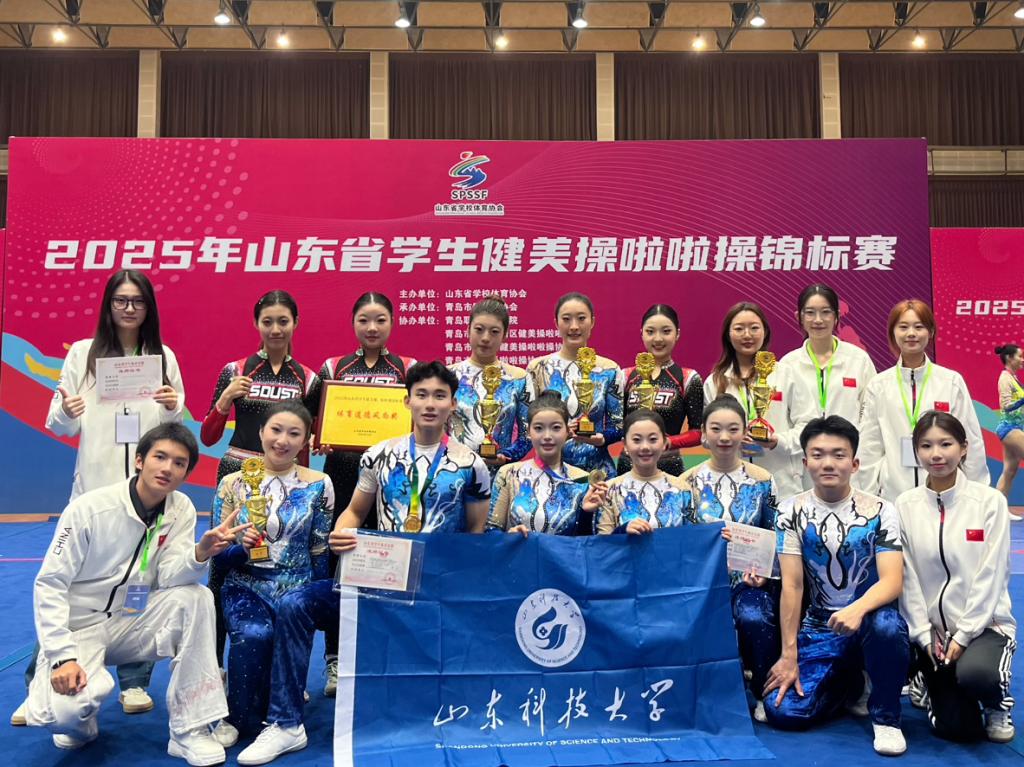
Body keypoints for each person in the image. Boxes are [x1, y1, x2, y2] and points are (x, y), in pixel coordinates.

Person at [232, 361, 491, 765]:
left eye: (440, 396)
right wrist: (341, 533)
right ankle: (286, 723)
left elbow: (476, 532)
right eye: (421, 395)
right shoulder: (378, 456)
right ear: (407, 401)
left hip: (435, 588)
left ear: (453, 404)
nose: (430, 404)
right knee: (296, 604)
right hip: (380, 580)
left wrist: (454, 579)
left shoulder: (471, 464)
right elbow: (355, 511)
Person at [26, 423, 247, 764]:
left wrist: (199, 553)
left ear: (186, 473)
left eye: (179, 463)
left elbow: (171, 576)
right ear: (140, 461)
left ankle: (189, 730)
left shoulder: (181, 508)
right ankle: (81, 719)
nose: (167, 468)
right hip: (80, 629)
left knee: (197, 597)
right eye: (160, 457)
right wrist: (61, 657)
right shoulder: (89, 509)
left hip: (132, 621)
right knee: (64, 713)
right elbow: (50, 584)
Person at [28, 269, 184, 721]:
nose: (129, 308)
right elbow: (60, 424)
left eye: (138, 301)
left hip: (145, 497)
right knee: (69, 585)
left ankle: (134, 683)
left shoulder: (162, 356)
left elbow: (175, 421)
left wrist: (172, 403)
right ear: (108, 305)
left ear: (149, 307)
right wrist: (66, 409)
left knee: (141, 578)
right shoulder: (82, 354)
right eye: (121, 300)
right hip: (95, 494)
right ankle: (42, 681)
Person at [764, 416, 910, 756]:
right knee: (782, 711)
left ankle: (886, 717)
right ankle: (851, 683)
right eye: (818, 455)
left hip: (869, 620)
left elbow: (893, 580)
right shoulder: (789, 511)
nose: (828, 463)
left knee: (888, 625)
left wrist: (858, 609)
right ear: (805, 463)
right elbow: (792, 586)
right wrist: (789, 655)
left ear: (855, 463)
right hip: (820, 626)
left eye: (838, 454)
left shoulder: (881, 510)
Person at [200, 290, 321, 669]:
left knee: (282, 566)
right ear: (256, 323)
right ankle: (214, 666)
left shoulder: (309, 379)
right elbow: (208, 437)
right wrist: (224, 401)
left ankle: (280, 664)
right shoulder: (235, 370)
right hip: (236, 475)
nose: (275, 329)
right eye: (267, 321)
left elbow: (307, 442)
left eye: (283, 321)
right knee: (222, 568)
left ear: (295, 323)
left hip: (286, 484)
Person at [210, 401, 333, 743]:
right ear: (261, 431)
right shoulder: (233, 483)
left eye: (294, 434)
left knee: (285, 641)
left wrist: (318, 597)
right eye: (276, 430)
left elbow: (319, 547)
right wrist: (241, 548)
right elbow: (218, 555)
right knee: (255, 634)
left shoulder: (319, 483)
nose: (282, 440)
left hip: (297, 589)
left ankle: (281, 702)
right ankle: (236, 718)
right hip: (245, 585)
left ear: (305, 441)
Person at [896, 411, 1016, 743]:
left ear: (963, 448)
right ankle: (925, 677)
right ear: (916, 451)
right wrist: (923, 635)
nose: (936, 454)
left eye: (946, 444)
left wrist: (963, 635)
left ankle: (996, 703)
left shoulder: (989, 502)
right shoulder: (905, 505)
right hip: (934, 632)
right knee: (957, 729)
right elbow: (908, 577)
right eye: (926, 446)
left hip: (984, 626)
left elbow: (991, 574)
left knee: (978, 675)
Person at [315, 291, 414, 695]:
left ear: (392, 322)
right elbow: (312, 418)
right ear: (353, 323)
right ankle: (334, 659)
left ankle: (381, 654)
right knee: (340, 565)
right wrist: (321, 434)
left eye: (380, 320)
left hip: (391, 479)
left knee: (388, 562)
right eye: (364, 320)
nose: (372, 328)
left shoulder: (407, 368)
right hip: (341, 477)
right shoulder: (333, 367)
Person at [677, 396, 780, 720]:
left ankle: (763, 690)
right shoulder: (686, 483)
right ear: (704, 434)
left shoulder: (762, 480)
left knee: (754, 616)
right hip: (701, 584)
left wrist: (766, 573)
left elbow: (774, 533)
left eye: (733, 429)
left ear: (744, 432)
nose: (724, 437)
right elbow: (681, 541)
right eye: (716, 429)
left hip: (749, 583)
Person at [857, 299, 988, 500]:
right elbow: (869, 446)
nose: (911, 333)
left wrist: (976, 493)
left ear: (931, 331)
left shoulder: (950, 381)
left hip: (945, 493)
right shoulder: (879, 385)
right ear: (893, 332)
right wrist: (868, 497)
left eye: (919, 327)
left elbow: (971, 440)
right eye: (903, 327)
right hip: (894, 495)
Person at [778, 284, 876, 490]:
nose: (818, 320)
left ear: (837, 316)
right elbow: (784, 418)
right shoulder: (788, 364)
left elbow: (871, 415)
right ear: (799, 316)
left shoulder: (858, 360)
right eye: (810, 313)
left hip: (848, 461)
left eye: (825, 312)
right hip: (805, 465)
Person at [704, 302, 805, 498]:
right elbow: (705, 436)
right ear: (728, 334)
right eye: (739, 329)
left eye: (754, 328)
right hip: (732, 484)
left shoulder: (786, 375)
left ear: (765, 332)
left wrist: (777, 441)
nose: (747, 335)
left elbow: (808, 426)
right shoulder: (715, 382)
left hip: (781, 482)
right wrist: (730, 439)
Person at [526, 292, 624, 478]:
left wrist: (600, 438)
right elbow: (529, 425)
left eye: (581, 318)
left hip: (598, 474)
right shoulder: (538, 368)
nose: (574, 326)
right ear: (556, 323)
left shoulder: (609, 369)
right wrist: (559, 431)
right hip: (549, 473)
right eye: (566, 319)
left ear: (592, 322)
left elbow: (618, 426)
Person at [488, 390, 606, 536]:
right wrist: (509, 535)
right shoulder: (508, 474)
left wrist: (587, 513)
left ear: (568, 431)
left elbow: (585, 542)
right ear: (528, 432)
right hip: (518, 551)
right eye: (538, 428)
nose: (547, 436)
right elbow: (491, 531)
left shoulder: (582, 480)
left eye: (556, 428)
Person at [449, 295, 533, 472]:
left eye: (494, 332)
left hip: (500, 475)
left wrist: (505, 456)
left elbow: (528, 435)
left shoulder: (519, 379)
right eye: (479, 329)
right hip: (455, 471)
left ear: (505, 335)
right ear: (468, 330)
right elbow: (438, 430)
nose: (486, 338)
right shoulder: (449, 376)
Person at [620, 304, 703, 477]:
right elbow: (616, 425)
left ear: (677, 334)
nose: (658, 339)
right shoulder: (625, 376)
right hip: (629, 466)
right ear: (641, 333)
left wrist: (667, 442)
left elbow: (698, 432)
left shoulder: (688, 378)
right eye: (650, 332)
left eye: (666, 331)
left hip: (669, 467)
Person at [596, 410, 690, 534]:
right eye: (637, 440)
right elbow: (603, 541)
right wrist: (622, 531)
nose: (645, 447)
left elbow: (694, 538)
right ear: (625, 444)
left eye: (652, 439)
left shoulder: (682, 488)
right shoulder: (610, 490)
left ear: (664, 443)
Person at [994, 343, 1024, 500]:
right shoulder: (1005, 378)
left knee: (1009, 472)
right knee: (1009, 471)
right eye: (1020, 356)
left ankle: (997, 508)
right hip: (1009, 428)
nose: (1022, 359)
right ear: (1009, 358)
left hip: (1015, 427)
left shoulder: (1013, 378)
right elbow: (1006, 406)